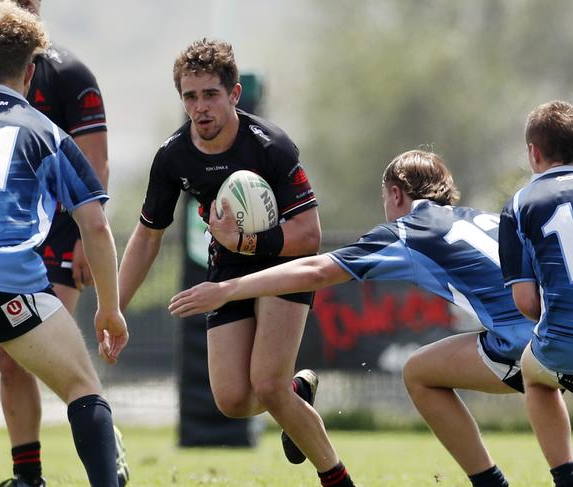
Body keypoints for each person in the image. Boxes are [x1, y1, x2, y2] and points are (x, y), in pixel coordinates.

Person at [170, 149, 537, 487]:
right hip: (557, 328)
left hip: (532, 347)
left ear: (395, 194)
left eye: (385, 200)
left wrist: (227, 289)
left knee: (422, 374)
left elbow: (316, 271)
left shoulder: (410, 231)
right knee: (532, 380)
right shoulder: (485, 218)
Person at [118, 38, 355, 487]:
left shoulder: (270, 146)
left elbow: (309, 235)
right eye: (190, 96)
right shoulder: (173, 157)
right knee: (231, 400)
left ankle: (337, 478)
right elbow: (149, 235)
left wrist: (246, 242)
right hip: (227, 265)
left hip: (283, 261)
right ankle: (298, 391)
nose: (200, 107)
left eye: (210, 94)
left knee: (266, 384)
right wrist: (114, 308)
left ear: (233, 95)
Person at [0, 1, 128, 486]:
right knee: (82, 388)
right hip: (8, 284)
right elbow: (96, 227)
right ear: (31, 71)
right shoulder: (47, 132)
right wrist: (110, 309)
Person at [499, 100, 573, 487]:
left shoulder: (519, 204)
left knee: (535, 372)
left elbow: (526, 303)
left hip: (564, 343)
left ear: (534, 152)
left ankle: (565, 475)